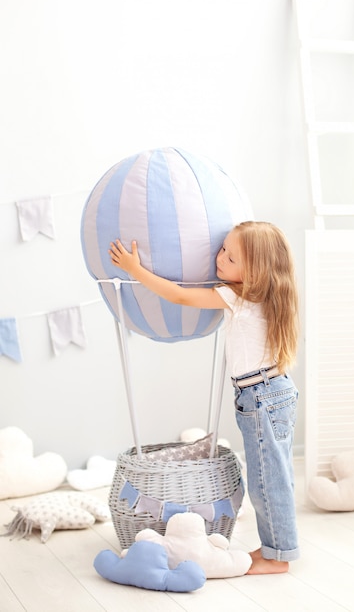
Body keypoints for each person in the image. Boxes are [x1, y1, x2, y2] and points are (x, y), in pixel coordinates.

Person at [109, 220, 299, 575]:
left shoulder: (239, 296)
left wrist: (136, 270)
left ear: (255, 270)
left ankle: (278, 557)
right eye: (223, 247)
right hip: (272, 392)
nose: (220, 256)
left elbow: (180, 295)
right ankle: (276, 549)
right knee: (274, 477)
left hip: (261, 396)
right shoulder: (267, 295)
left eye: (231, 255)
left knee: (266, 482)